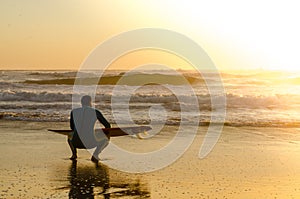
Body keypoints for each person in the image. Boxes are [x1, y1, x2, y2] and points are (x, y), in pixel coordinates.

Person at [69, 95, 111, 163]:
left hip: (75, 143)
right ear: (90, 102)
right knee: (106, 139)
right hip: (90, 143)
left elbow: (72, 128)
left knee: (69, 136)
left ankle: (74, 154)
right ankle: (95, 155)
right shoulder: (95, 112)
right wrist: (103, 133)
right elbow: (107, 125)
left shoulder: (73, 112)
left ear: (81, 102)